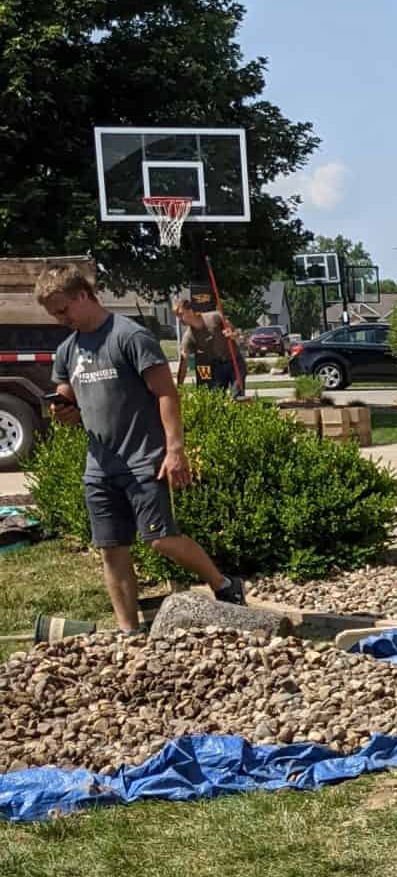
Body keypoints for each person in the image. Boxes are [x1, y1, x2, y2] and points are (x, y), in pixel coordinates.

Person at [36, 268, 244, 628]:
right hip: (99, 465)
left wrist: (175, 450)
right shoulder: (68, 350)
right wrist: (62, 410)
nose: (61, 319)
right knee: (112, 551)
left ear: (82, 296)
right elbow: (68, 396)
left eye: (63, 310)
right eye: (55, 314)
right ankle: (129, 631)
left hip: (143, 458)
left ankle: (224, 584)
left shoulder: (130, 337)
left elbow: (167, 393)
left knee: (161, 539)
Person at [175, 296, 244, 394]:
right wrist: (179, 387)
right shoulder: (189, 337)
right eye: (177, 316)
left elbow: (236, 332)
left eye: (181, 314)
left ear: (190, 310)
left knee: (237, 396)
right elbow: (183, 365)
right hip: (217, 367)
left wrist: (232, 335)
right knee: (216, 399)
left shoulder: (215, 317)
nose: (180, 319)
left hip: (235, 361)